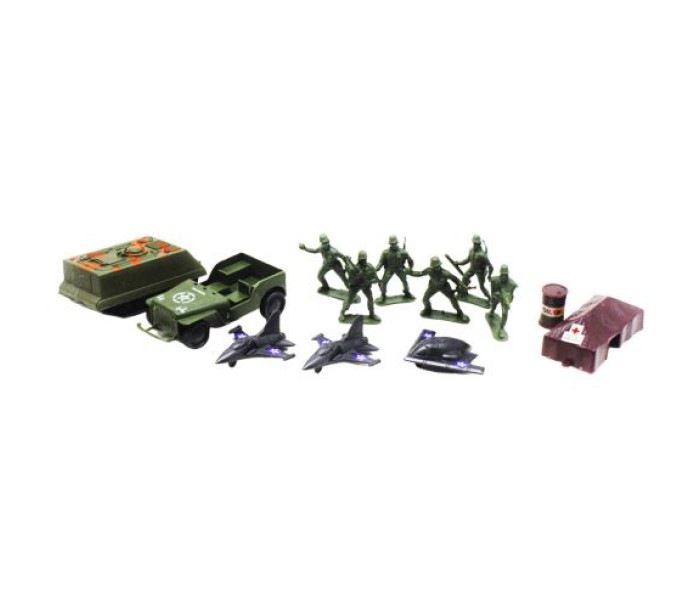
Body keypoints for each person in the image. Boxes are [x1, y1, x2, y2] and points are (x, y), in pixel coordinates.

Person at [340, 251, 380, 322]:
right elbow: (350, 278)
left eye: (364, 260)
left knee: (370, 298)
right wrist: (355, 278)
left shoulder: (370, 267)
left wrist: (369, 281)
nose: (362, 261)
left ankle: (372, 313)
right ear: (358, 260)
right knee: (349, 299)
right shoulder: (354, 268)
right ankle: (342, 313)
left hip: (366, 286)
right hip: (356, 286)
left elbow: (376, 279)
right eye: (361, 260)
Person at [376, 235, 414, 300]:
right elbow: (381, 262)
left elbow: (410, 260)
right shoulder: (385, 252)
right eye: (392, 244)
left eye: (395, 243)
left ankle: (407, 292)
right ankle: (383, 294)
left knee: (404, 281)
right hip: (389, 269)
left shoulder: (403, 252)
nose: (393, 245)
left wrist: (410, 268)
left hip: (399, 269)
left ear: (397, 243)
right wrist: (377, 268)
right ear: (390, 244)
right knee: (384, 282)